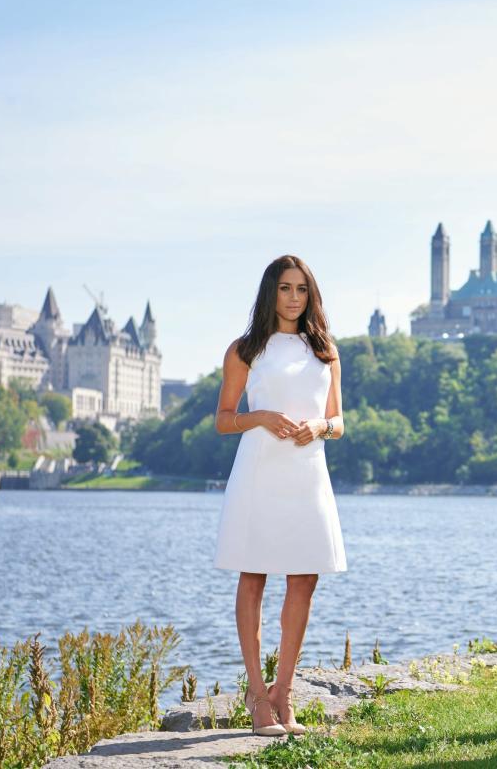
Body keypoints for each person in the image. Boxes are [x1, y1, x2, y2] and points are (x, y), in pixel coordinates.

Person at [213, 255, 347, 737]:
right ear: (270, 292)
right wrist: (263, 416)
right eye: (285, 288)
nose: (294, 297)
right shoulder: (246, 349)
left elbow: (339, 421)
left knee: (304, 578)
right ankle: (256, 694)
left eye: (302, 289)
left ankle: (283, 692)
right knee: (253, 577)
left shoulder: (326, 350)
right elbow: (224, 419)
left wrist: (320, 426)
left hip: (307, 471)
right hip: (260, 470)